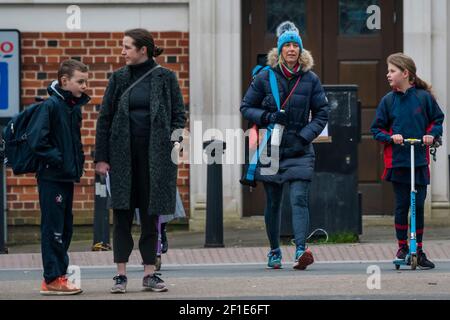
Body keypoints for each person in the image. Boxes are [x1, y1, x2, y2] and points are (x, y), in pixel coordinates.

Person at [94, 28, 186, 293]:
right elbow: (105, 119)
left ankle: (149, 273)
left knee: (151, 214)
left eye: (127, 47)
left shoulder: (166, 78)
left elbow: (179, 116)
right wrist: (102, 157)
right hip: (122, 157)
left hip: (156, 158)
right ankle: (120, 275)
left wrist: (174, 145)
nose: (122, 52)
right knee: (121, 213)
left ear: (142, 50)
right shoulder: (118, 78)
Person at [240, 21, 329, 270]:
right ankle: (274, 250)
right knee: (273, 202)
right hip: (272, 149)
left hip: (300, 149)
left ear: (301, 51)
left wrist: (305, 136)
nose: (291, 49)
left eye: (295, 46)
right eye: (287, 45)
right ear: (279, 51)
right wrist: (267, 117)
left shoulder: (311, 79)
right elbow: (246, 107)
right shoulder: (264, 77)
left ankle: (301, 249)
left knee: (299, 198)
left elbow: (322, 113)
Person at [370, 52, 444, 269]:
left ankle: (418, 249)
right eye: (388, 70)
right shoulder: (388, 101)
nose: (388, 74)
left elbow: (437, 120)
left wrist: (430, 135)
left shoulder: (423, 98)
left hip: (418, 160)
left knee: (418, 205)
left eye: (392, 71)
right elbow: (377, 129)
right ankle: (403, 247)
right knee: (402, 205)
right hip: (398, 161)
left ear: (405, 73)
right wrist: (390, 138)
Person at [27, 59, 90, 295]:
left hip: (64, 177)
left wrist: (76, 165)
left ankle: (59, 276)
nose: (84, 86)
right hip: (52, 177)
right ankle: (51, 279)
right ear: (65, 81)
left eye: (85, 81)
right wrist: (60, 160)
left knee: (64, 228)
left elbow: (74, 143)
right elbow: (37, 141)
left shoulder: (71, 108)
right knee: (53, 228)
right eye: (80, 81)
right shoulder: (51, 106)